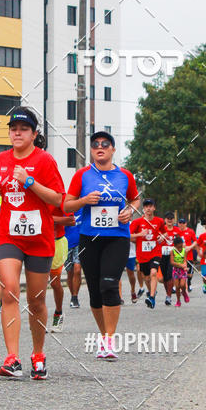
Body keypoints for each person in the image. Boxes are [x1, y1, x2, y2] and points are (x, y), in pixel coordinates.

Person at [0, 107, 64, 380]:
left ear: (33, 134)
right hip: (8, 235)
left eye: (23, 129)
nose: (17, 133)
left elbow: (57, 199)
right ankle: (12, 358)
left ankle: (38, 354)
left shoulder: (45, 161)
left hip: (39, 240)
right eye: (13, 128)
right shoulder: (1, 160)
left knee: (36, 300)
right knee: (8, 291)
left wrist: (30, 181)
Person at [64, 130, 139, 360]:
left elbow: (135, 199)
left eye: (105, 144)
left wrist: (130, 211)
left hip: (117, 237)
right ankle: (103, 335)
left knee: (109, 283)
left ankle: (109, 339)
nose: (100, 147)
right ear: (91, 150)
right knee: (96, 292)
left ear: (113, 150)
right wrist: (84, 201)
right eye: (96, 144)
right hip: (89, 238)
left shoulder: (125, 175)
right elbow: (67, 205)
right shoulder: (82, 176)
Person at [130, 199, 165, 309]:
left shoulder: (159, 221)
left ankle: (152, 297)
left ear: (154, 208)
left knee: (153, 272)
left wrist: (162, 237)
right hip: (142, 254)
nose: (148, 208)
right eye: (146, 206)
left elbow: (165, 233)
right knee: (146, 277)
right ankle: (151, 292)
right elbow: (128, 236)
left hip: (155, 252)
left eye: (150, 206)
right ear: (143, 209)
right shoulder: (137, 222)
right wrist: (140, 234)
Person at [64, 207, 82, 308]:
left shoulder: (83, 208)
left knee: (77, 269)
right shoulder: (64, 208)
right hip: (66, 243)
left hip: (79, 244)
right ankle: (73, 296)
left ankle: (75, 297)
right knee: (69, 272)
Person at [159, 212, 178, 305]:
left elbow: (181, 243)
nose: (170, 220)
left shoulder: (177, 230)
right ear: (165, 220)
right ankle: (168, 293)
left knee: (170, 275)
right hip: (162, 255)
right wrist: (161, 238)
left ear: (174, 220)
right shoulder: (162, 230)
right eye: (168, 218)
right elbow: (157, 241)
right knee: (164, 277)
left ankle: (169, 296)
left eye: (171, 218)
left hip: (172, 256)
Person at [170, 236, 196, 306]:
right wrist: (180, 265)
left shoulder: (184, 251)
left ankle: (184, 292)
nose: (180, 248)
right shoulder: (172, 251)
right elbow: (172, 262)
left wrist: (185, 267)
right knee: (177, 287)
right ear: (175, 246)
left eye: (181, 247)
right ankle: (178, 301)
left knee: (182, 285)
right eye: (178, 247)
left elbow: (185, 261)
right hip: (175, 270)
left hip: (182, 270)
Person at [177, 217, 197, 292]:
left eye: (183, 223)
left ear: (186, 223)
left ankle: (189, 283)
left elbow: (195, 241)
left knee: (189, 274)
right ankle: (181, 286)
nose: (181, 225)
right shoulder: (177, 231)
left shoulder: (190, 231)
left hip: (189, 256)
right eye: (180, 223)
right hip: (180, 256)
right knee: (181, 272)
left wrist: (190, 247)